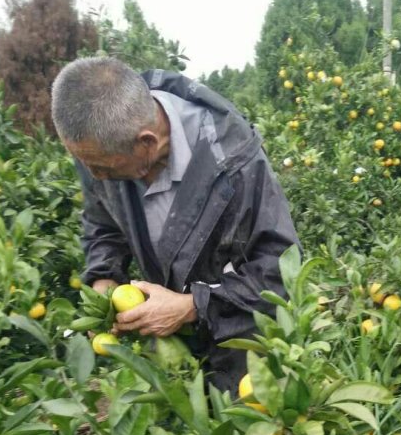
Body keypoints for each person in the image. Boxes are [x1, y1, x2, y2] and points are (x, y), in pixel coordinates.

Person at [51, 57, 300, 394]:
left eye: (102, 168)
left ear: (147, 143)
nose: (94, 176)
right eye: (87, 165)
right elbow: (103, 224)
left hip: (243, 344)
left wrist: (191, 306)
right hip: (173, 352)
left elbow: (281, 271)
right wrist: (104, 277)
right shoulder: (102, 143)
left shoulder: (233, 162)